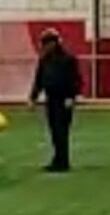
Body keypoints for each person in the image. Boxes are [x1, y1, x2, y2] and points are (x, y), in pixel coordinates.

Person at [29, 28, 84, 172]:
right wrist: (33, 97)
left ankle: (63, 161)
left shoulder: (68, 59)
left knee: (62, 131)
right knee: (54, 131)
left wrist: (71, 97)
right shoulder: (44, 60)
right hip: (51, 99)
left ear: (53, 43)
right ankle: (57, 159)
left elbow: (76, 80)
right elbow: (39, 80)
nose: (44, 47)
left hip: (64, 100)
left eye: (46, 44)